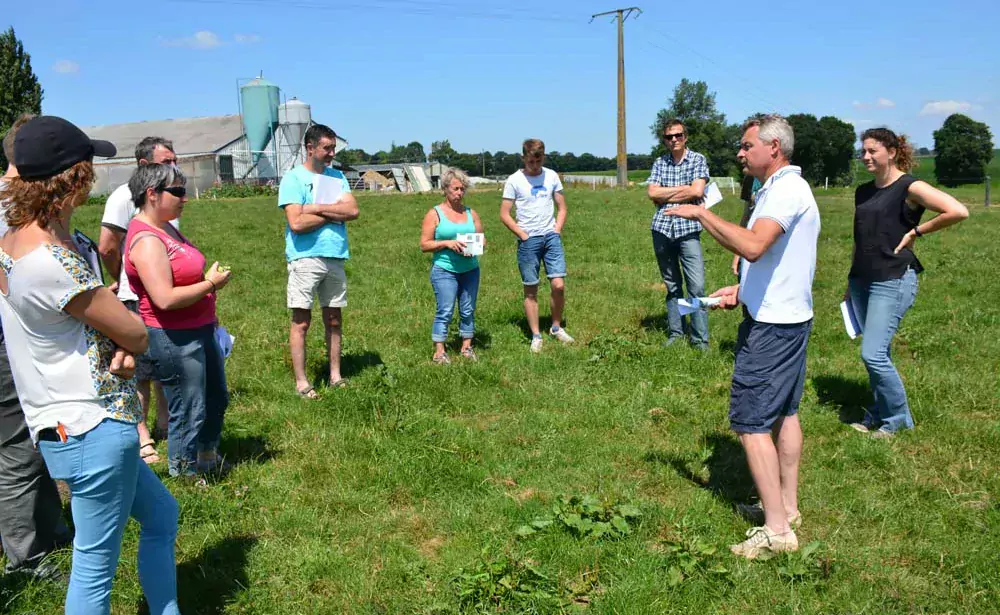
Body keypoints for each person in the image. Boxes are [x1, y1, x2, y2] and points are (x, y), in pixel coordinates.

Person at [0, 115, 180, 613]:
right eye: (88, 166)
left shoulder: (15, 242)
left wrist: (115, 335)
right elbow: (137, 331)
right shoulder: (53, 263)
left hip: (71, 422)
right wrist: (124, 336)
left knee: (163, 516)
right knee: (95, 567)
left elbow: (92, 326)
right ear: (72, 177)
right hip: (91, 426)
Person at [664, 115, 819, 559]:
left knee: (752, 424)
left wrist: (699, 213)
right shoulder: (779, 187)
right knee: (784, 415)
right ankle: (785, 509)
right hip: (783, 316)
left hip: (773, 329)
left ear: (774, 147)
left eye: (747, 145)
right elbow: (775, 259)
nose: (740, 152)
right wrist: (743, 290)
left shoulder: (787, 189)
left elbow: (753, 245)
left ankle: (777, 532)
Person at [847, 128, 968, 438]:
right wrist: (851, 278)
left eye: (873, 151)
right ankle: (879, 412)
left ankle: (898, 419)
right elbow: (859, 239)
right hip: (862, 279)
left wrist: (917, 232)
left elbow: (958, 211)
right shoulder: (863, 191)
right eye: (863, 151)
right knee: (879, 353)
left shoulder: (909, 186)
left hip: (893, 278)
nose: (866, 156)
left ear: (892, 152)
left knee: (872, 354)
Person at [0, 113, 74, 577]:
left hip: (18, 335)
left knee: (36, 438)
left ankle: (54, 530)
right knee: (16, 451)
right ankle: (23, 558)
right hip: (6, 340)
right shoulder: (7, 207)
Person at [125, 163, 232, 478]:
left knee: (215, 396)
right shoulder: (146, 239)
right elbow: (165, 298)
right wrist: (211, 285)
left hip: (200, 327)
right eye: (178, 191)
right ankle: (184, 474)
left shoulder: (165, 225)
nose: (185, 198)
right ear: (152, 194)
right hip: (173, 336)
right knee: (188, 408)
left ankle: (207, 455)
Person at [99, 137, 178, 464]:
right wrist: (123, 277)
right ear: (145, 165)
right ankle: (142, 435)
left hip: (167, 294)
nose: (174, 167)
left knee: (164, 364)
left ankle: (164, 425)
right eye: (166, 161)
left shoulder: (169, 193)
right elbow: (106, 245)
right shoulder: (123, 196)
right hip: (138, 298)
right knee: (141, 370)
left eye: (175, 160)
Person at [278, 124, 360, 399]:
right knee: (302, 320)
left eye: (333, 148)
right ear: (310, 148)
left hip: (335, 256)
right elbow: (297, 223)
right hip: (305, 258)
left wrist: (314, 208)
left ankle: (335, 375)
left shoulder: (337, 177)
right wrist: (333, 213)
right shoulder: (293, 179)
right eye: (327, 148)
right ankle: (302, 382)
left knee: (334, 318)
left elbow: (353, 210)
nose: (331, 153)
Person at [500, 138, 574, 353]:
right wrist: (522, 234)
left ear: (543, 157)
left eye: (538, 161)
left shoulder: (551, 176)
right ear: (524, 158)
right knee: (530, 289)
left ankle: (556, 327)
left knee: (558, 285)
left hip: (551, 237)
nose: (535, 166)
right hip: (528, 241)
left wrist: (557, 230)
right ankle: (535, 335)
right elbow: (504, 214)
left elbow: (562, 207)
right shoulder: (514, 180)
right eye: (531, 161)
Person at [646, 119, 711, 350]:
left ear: (686, 137)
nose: (674, 139)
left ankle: (700, 340)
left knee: (697, 287)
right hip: (662, 229)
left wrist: (666, 194)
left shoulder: (697, 159)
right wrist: (683, 191)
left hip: (688, 230)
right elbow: (652, 192)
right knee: (673, 286)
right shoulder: (659, 162)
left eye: (678, 135)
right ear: (664, 140)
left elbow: (698, 190)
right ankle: (676, 334)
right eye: (669, 136)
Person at [419, 168, 484, 364]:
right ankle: (439, 351)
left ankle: (467, 346)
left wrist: (475, 247)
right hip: (444, 269)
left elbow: (482, 239)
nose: (459, 193)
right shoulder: (434, 214)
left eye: (462, 189)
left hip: (470, 269)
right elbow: (424, 244)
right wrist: (447, 243)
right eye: (456, 189)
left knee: (468, 309)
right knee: (445, 310)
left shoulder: (471, 213)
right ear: (445, 189)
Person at [732, 174, 762, 277]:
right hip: (747, 246)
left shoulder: (782, 181)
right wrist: (738, 254)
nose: (740, 157)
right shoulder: (750, 179)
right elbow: (746, 216)